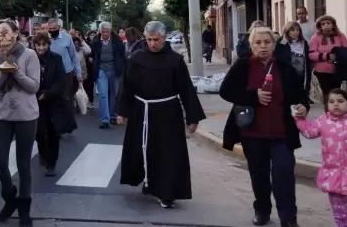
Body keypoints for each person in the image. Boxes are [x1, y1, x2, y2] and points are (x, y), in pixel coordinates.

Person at [219, 26, 309, 227]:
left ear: (273, 44)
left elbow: (299, 94)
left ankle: (288, 218)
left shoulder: (284, 67)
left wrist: (304, 106)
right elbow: (225, 91)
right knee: (259, 176)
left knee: (284, 174)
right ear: (251, 45)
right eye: (258, 43)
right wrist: (253, 97)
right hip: (253, 133)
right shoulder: (242, 66)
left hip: (281, 133)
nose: (262, 46)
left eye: (267, 42)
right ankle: (262, 210)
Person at [115, 21, 206, 209]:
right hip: (142, 111)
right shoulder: (136, 58)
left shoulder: (175, 60)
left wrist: (192, 117)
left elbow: (186, 89)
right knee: (143, 149)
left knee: (167, 153)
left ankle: (166, 192)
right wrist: (122, 111)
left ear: (163, 38)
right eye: (149, 40)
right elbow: (127, 86)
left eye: (156, 40)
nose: (152, 44)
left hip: (168, 113)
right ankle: (146, 182)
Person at [295, 88, 347, 227]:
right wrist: (299, 120)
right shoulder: (323, 121)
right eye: (331, 101)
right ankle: (344, 220)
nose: (336, 104)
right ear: (327, 105)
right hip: (333, 175)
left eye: (340, 101)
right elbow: (309, 132)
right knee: (341, 215)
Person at [0, 19, 41, 226]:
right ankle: (10, 197)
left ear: (16, 33)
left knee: (23, 164)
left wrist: (15, 71)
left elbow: (34, 86)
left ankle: (25, 208)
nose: (1, 37)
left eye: (5, 32)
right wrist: (2, 72)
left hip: (26, 116)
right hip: (2, 115)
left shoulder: (30, 55)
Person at [32, 32, 68, 176]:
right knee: (39, 132)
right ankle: (43, 153)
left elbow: (61, 80)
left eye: (44, 45)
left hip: (52, 100)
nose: (41, 48)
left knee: (53, 132)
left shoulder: (56, 59)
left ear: (48, 45)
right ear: (34, 45)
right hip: (35, 101)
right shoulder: (30, 59)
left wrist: (48, 93)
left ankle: (51, 163)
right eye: (38, 45)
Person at [309, 15, 347, 106]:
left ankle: (336, 113)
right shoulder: (316, 37)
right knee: (327, 94)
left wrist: (337, 55)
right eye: (323, 24)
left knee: (336, 93)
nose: (326, 25)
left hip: (337, 70)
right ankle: (328, 114)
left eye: (328, 23)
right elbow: (311, 54)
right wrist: (327, 56)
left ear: (333, 25)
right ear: (320, 26)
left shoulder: (340, 36)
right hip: (322, 71)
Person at [92, 22, 126, 129]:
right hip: (101, 69)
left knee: (114, 94)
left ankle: (112, 115)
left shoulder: (117, 40)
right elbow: (93, 53)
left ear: (110, 31)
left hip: (114, 69)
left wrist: (121, 67)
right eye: (103, 31)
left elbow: (122, 55)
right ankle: (104, 119)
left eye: (107, 31)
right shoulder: (96, 40)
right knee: (103, 94)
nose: (105, 34)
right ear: (100, 31)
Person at [273, 21, 312, 93]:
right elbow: (278, 57)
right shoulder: (282, 42)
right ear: (287, 31)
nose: (296, 32)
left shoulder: (303, 42)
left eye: (297, 30)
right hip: (288, 76)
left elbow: (307, 59)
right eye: (293, 30)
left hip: (302, 76)